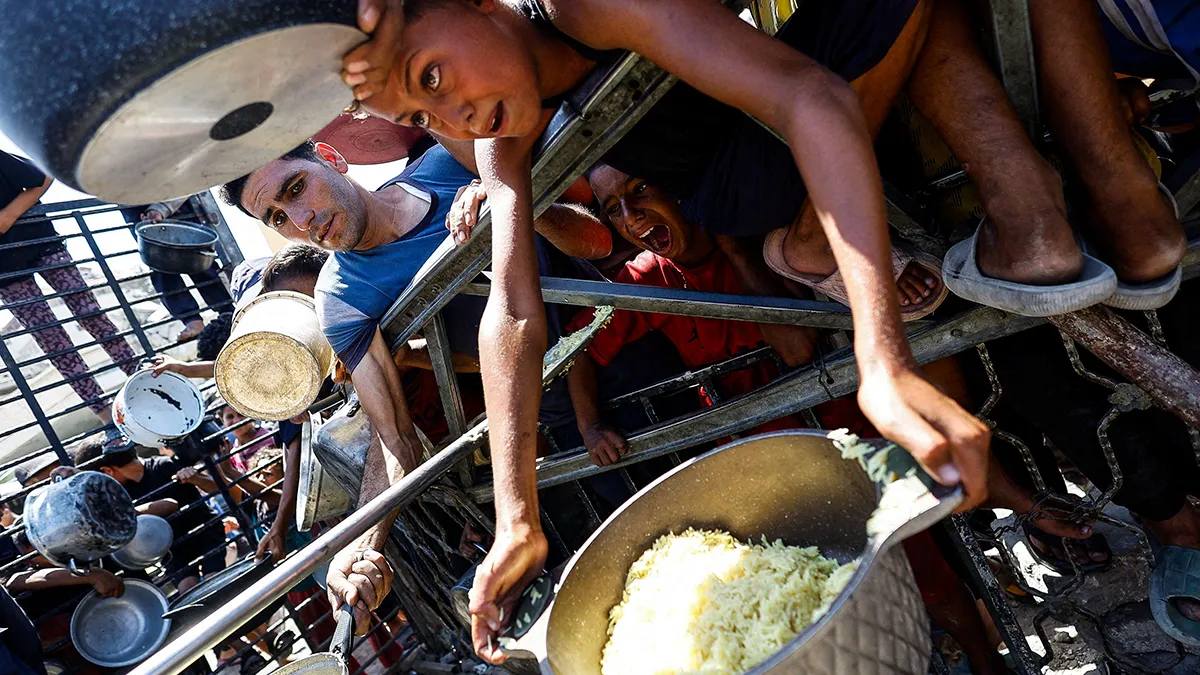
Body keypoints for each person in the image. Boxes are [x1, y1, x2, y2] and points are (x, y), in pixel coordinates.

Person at [340, 1, 1001, 656]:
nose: (451, 118)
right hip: (755, 184)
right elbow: (511, 311)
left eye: (432, 76)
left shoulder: (579, 10)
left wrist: (881, 361)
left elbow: (809, 95)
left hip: (822, 130)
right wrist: (517, 517)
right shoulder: (500, 142)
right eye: (421, 118)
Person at [220, 138, 630, 632]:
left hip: (640, 339)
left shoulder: (447, 163)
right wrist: (360, 545)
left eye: (296, 188)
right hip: (566, 425)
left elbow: (597, 244)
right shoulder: (342, 300)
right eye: (278, 218)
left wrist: (508, 198)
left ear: (331, 157)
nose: (301, 220)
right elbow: (395, 437)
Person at [0, 150, 139, 437]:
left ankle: (140, 375)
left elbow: (43, 175)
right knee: (53, 342)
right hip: (5, 273)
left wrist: (9, 215)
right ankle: (105, 415)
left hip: (40, 242)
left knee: (91, 314)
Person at [73, 436, 227, 591]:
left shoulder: (163, 466)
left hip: (205, 533)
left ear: (107, 471)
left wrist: (196, 478)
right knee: (187, 588)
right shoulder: (121, 492)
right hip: (172, 547)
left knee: (213, 578)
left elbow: (172, 504)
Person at [120, 197, 234, 342]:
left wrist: (162, 207)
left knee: (199, 260)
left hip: (174, 201)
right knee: (160, 266)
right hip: (136, 207)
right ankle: (193, 320)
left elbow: (187, 183)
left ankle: (228, 312)